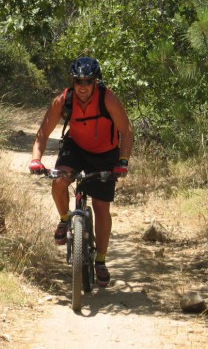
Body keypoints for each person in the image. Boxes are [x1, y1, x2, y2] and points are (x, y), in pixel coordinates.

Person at [29, 56, 133, 287]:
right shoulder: (63, 100)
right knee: (58, 181)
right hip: (75, 147)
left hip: (105, 154)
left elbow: (126, 131)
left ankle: (101, 262)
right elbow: (43, 133)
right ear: (73, 82)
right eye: (78, 81)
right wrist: (36, 159)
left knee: (100, 206)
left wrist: (123, 161)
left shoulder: (108, 99)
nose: (83, 86)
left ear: (96, 81)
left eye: (88, 81)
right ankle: (65, 219)